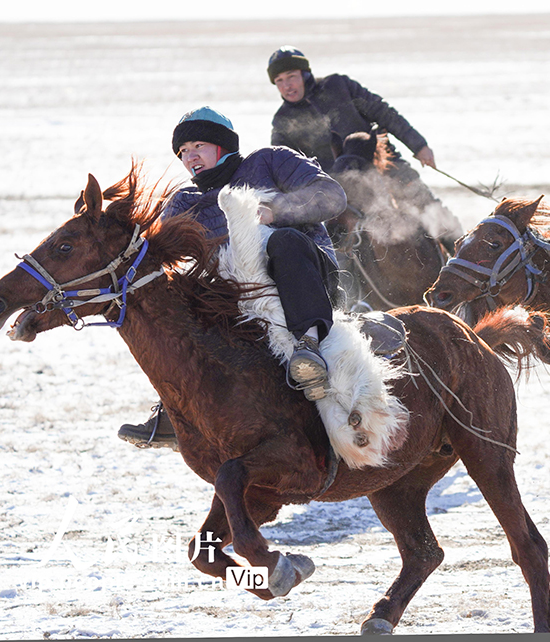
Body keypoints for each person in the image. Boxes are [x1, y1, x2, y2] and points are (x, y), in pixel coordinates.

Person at [117, 106, 347, 450]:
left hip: (304, 279)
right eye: (182, 152)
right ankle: (177, 409)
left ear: (221, 145)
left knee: (284, 240)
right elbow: (157, 254)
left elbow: (332, 196)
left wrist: (277, 211)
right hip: (239, 300)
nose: (190, 157)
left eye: (197, 146)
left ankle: (309, 348)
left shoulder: (270, 161)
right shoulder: (184, 202)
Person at [267, 46, 462, 247]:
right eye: (279, 81)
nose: (287, 85)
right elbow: (284, 168)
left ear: (304, 74)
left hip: (384, 162)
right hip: (340, 188)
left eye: (291, 76)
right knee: (339, 243)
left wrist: (419, 146)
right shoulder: (282, 121)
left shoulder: (338, 85)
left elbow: (382, 112)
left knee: (427, 205)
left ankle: (463, 256)